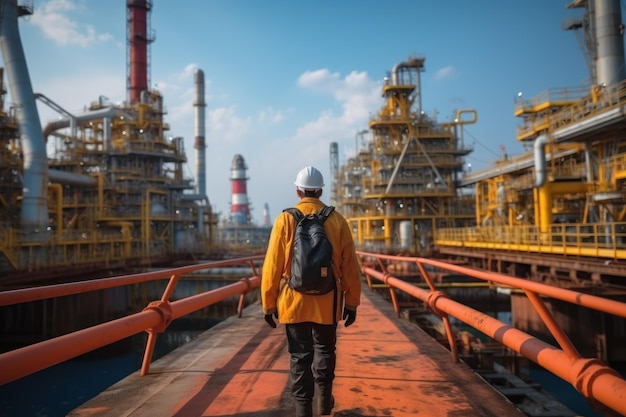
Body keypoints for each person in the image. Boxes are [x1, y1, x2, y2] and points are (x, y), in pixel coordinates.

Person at [261, 165, 362, 417]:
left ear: (298, 191)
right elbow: (350, 265)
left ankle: (303, 410)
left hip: (293, 302)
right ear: (319, 190)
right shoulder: (337, 220)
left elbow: (272, 266)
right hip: (328, 302)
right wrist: (352, 302)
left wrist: (268, 304)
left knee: (299, 357)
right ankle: (324, 404)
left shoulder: (285, 219)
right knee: (325, 351)